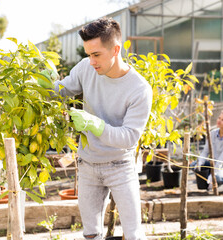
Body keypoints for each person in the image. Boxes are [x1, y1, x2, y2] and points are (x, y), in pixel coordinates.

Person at [39, 17, 152, 240]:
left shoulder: (139, 89)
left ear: (115, 50)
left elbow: (129, 137)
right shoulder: (86, 68)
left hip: (120, 166)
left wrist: (95, 125)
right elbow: (61, 90)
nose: (91, 62)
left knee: (134, 234)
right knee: (91, 234)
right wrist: (39, 83)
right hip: (88, 164)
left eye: (96, 55)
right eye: (88, 54)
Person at [191, 109, 223, 194]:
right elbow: (205, 151)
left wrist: (213, 175)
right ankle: (217, 180)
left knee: (217, 176)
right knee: (193, 165)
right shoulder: (213, 133)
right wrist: (200, 163)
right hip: (215, 163)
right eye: (219, 118)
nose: (219, 121)